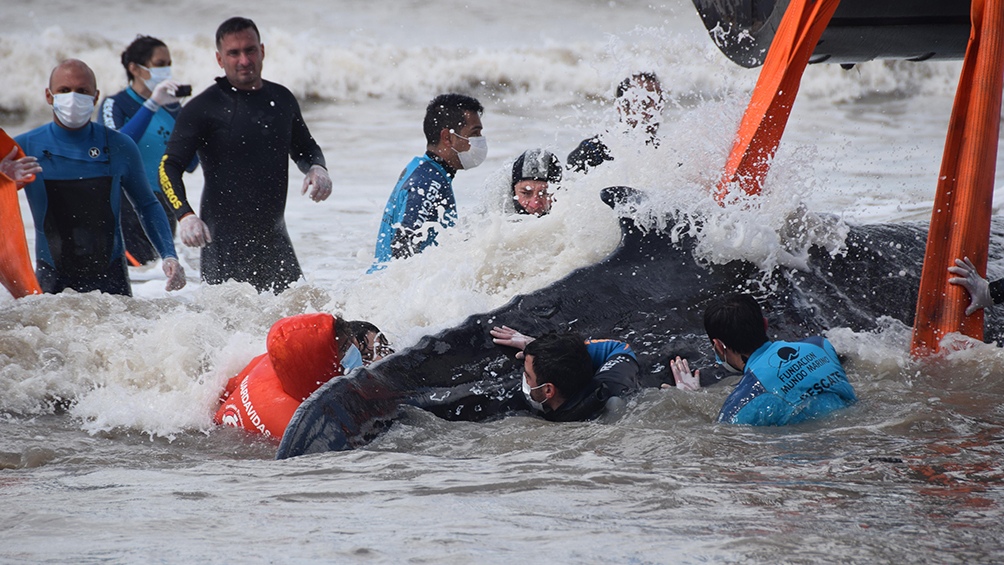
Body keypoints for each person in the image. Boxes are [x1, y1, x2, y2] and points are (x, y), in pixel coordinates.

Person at [159, 16, 332, 293]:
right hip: (223, 247)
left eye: (250, 50)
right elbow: (168, 167)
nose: (244, 60)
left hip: (276, 241)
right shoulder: (203, 108)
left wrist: (316, 167)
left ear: (261, 50)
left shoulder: (282, 99)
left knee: (301, 322)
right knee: (230, 332)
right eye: (234, 53)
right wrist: (185, 215)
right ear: (219, 59)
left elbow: (305, 147)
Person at [14, 59, 185, 296]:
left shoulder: (119, 146)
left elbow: (146, 204)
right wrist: (7, 179)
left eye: (82, 91)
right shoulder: (25, 146)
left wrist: (169, 254)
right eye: (64, 90)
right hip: (52, 281)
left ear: (95, 97)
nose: (73, 98)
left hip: (111, 280)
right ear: (49, 96)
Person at [668, 293, 856, 426]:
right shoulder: (821, 346)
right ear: (765, 324)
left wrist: (690, 401)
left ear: (718, 345)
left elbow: (724, 440)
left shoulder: (739, 407)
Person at [215, 313, 392, 440]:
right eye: (345, 348)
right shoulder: (300, 426)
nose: (353, 352)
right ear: (321, 363)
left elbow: (221, 395)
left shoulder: (271, 362)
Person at [101, 35, 198, 266]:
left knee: (156, 275)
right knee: (134, 272)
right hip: (127, 202)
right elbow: (116, 148)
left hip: (164, 201)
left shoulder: (173, 108)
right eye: (160, 64)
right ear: (135, 68)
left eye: (169, 64)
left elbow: (192, 164)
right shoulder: (116, 104)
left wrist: (182, 116)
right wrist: (152, 104)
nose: (166, 70)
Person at [370, 93, 486, 270]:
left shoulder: (422, 168)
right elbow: (402, 247)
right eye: (474, 133)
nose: (479, 140)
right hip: (391, 291)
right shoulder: (429, 182)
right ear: (447, 137)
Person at [490, 325, 640, 422]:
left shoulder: (610, 402)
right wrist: (550, 351)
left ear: (548, 390)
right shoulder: (612, 375)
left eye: (528, 376)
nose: (524, 380)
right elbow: (620, 347)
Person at [567, 72, 664, 174]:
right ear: (622, 107)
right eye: (645, 104)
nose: (654, 111)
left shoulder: (666, 154)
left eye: (659, 103)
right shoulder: (592, 151)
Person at [482, 148, 562, 216]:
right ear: (513, 191)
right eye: (526, 193)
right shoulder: (489, 223)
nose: (535, 205)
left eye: (545, 193)